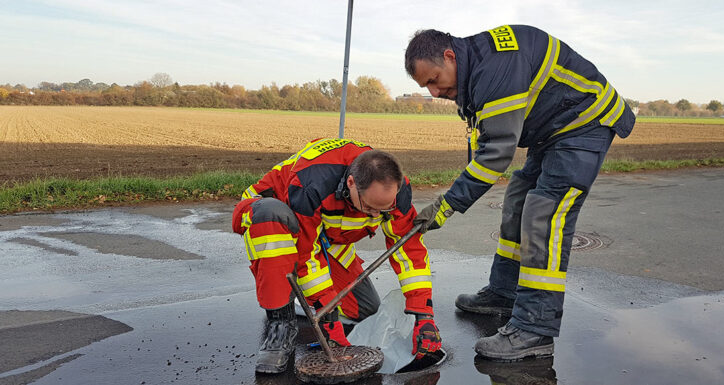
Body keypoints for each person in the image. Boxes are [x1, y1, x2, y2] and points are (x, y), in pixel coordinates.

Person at [406, 25, 634, 360]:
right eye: (427, 86)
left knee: (544, 214)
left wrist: (445, 205)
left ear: (450, 56)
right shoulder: (474, 73)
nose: (435, 92)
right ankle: (504, 293)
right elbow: (482, 146)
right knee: (517, 200)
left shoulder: (494, 70)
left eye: (434, 79)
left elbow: (496, 153)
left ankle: (535, 329)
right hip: (554, 131)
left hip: (585, 124)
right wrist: (453, 198)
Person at [232, 138, 441, 374]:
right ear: (351, 183)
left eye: (384, 210)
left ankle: (300, 301)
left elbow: (408, 249)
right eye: (370, 208)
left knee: (366, 310)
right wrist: (328, 317)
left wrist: (423, 313)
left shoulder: (394, 190)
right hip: (269, 217)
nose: (376, 214)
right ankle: (280, 322)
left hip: (324, 237)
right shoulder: (311, 184)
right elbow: (306, 255)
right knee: (274, 221)